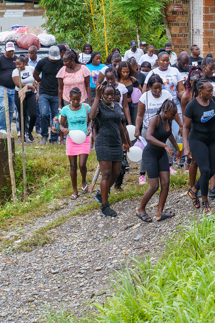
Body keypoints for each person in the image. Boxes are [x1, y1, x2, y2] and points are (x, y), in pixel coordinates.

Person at [184, 79, 215, 212]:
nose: (212, 93)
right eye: (209, 91)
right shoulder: (192, 105)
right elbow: (186, 127)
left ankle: (193, 190)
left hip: (213, 139)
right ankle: (205, 199)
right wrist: (186, 147)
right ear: (200, 91)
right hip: (197, 140)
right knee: (205, 170)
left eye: (213, 90)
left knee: (211, 171)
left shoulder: (214, 101)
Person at [90, 84, 132, 217]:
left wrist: (125, 141)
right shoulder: (99, 106)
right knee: (106, 174)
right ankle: (105, 206)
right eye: (106, 94)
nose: (109, 97)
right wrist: (96, 97)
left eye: (111, 94)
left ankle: (101, 193)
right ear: (102, 94)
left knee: (116, 173)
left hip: (116, 143)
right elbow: (91, 116)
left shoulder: (117, 106)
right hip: (103, 143)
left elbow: (119, 124)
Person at [137, 99, 180, 222]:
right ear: (165, 111)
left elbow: (169, 134)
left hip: (161, 155)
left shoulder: (168, 120)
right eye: (173, 114)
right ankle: (140, 208)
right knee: (154, 185)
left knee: (165, 183)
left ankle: (159, 213)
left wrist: (177, 148)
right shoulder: (155, 119)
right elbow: (148, 136)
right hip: (150, 155)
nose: (174, 116)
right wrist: (165, 146)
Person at [135, 75, 181, 184]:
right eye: (155, 88)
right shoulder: (144, 97)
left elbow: (173, 112)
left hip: (165, 127)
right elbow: (140, 115)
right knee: (147, 150)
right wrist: (137, 128)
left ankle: (168, 166)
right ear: (149, 87)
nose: (157, 90)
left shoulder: (167, 95)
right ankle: (142, 173)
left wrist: (181, 125)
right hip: (148, 128)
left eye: (159, 87)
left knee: (170, 145)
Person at [59, 87, 92, 199]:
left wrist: (89, 127)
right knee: (72, 166)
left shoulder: (86, 107)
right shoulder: (65, 109)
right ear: (70, 99)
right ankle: (75, 190)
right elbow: (61, 124)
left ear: (81, 98)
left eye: (78, 99)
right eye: (74, 99)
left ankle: (83, 180)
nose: (76, 102)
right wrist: (63, 130)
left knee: (82, 164)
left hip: (84, 138)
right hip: (71, 139)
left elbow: (91, 119)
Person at [34, 45, 64, 144]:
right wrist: (40, 81)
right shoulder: (42, 62)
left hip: (56, 94)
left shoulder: (61, 63)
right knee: (43, 114)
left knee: (56, 117)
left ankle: (54, 138)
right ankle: (44, 135)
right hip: (44, 93)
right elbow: (35, 74)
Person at [0, 43, 18, 134]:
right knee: (4, 106)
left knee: (11, 109)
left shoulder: (16, 59)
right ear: (5, 50)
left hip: (13, 87)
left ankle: (8, 127)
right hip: (2, 87)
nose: (11, 52)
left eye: (12, 50)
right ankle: (2, 127)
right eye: (9, 51)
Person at [13, 55, 38, 142]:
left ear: (24, 63)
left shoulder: (31, 69)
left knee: (33, 114)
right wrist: (30, 86)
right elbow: (18, 84)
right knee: (22, 115)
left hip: (30, 94)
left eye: (19, 64)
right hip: (20, 93)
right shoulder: (15, 72)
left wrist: (34, 86)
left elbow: (35, 79)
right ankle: (22, 134)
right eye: (16, 64)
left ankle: (29, 132)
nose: (17, 66)